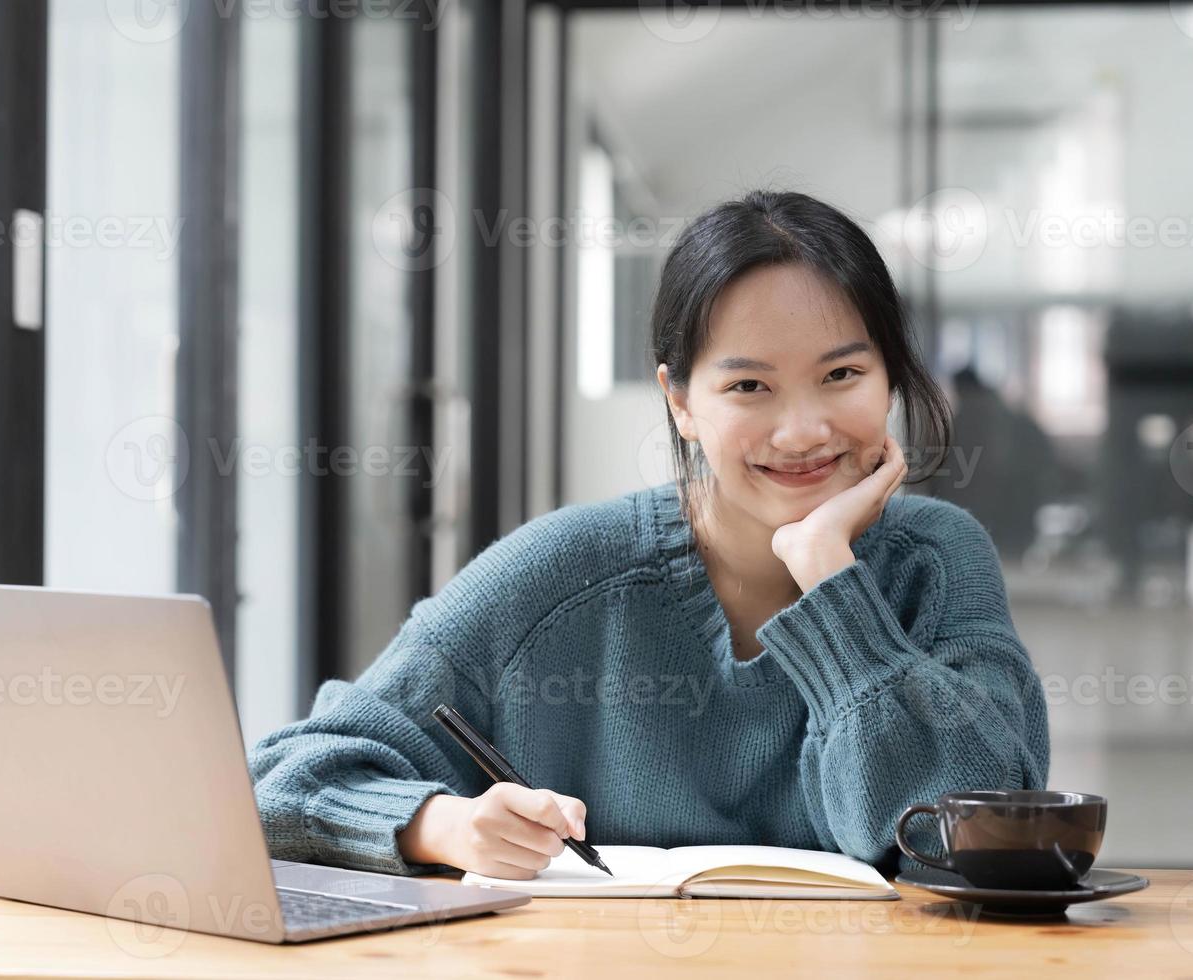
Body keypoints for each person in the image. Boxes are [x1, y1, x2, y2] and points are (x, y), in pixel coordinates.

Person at [248, 189, 1050, 881]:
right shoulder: (560, 572)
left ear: (890, 374)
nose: (803, 430)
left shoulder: (936, 558)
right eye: (748, 386)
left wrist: (831, 580)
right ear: (680, 401)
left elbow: (980, 833)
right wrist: (443, 826)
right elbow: (280, 784)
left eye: (842, 375)